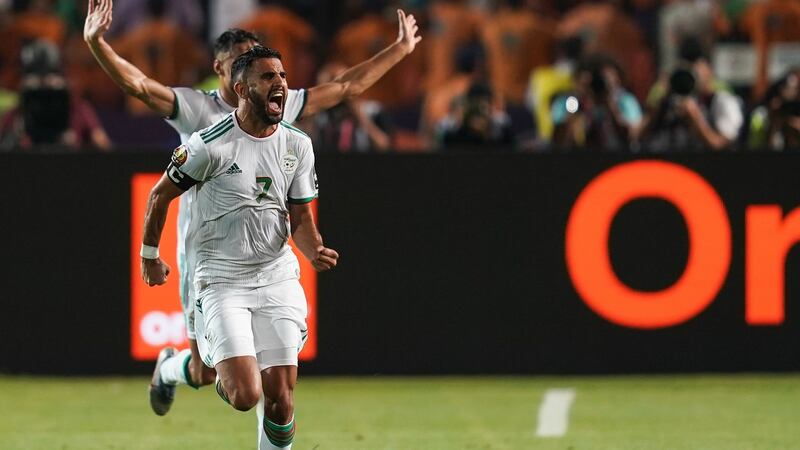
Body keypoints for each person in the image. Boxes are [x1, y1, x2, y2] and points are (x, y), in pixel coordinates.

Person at [83, 0, 420, 415]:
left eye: (257, 59)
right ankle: (170, 367)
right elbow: (137, 85)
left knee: (270, 380)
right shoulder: (199, 112)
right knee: (210, 373)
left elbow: (346, 87)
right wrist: (96, 42)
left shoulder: (280, 110)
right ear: (223, 69)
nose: (255, 67)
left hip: (266, 260)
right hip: (208, 255)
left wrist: (401, 49)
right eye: (241, 60)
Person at [140, 45, 333, 450]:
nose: (280, 83)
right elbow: (159, 195)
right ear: (242, 89)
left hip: (276, 274)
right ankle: (183, 370)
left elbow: (299, 218)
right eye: (268, 77)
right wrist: (150, 254)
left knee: (280, 398)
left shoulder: (297, 144)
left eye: (282, 75)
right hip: (221, 280)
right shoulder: (209, 145)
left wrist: (313, 249)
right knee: (245, 395)